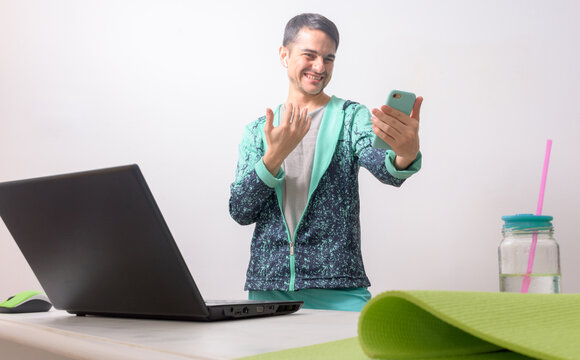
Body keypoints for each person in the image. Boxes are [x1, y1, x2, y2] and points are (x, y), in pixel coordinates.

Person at [229, 13, 422, 311]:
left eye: (328, 58)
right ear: (284, 55)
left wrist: (405, 153)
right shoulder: (257, 131)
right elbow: (241, 210)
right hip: (269, 289)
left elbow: (387, 170)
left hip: (338, 287)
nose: (319, 67)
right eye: (310, 55)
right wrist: (273, 157)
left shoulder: (351, 118)